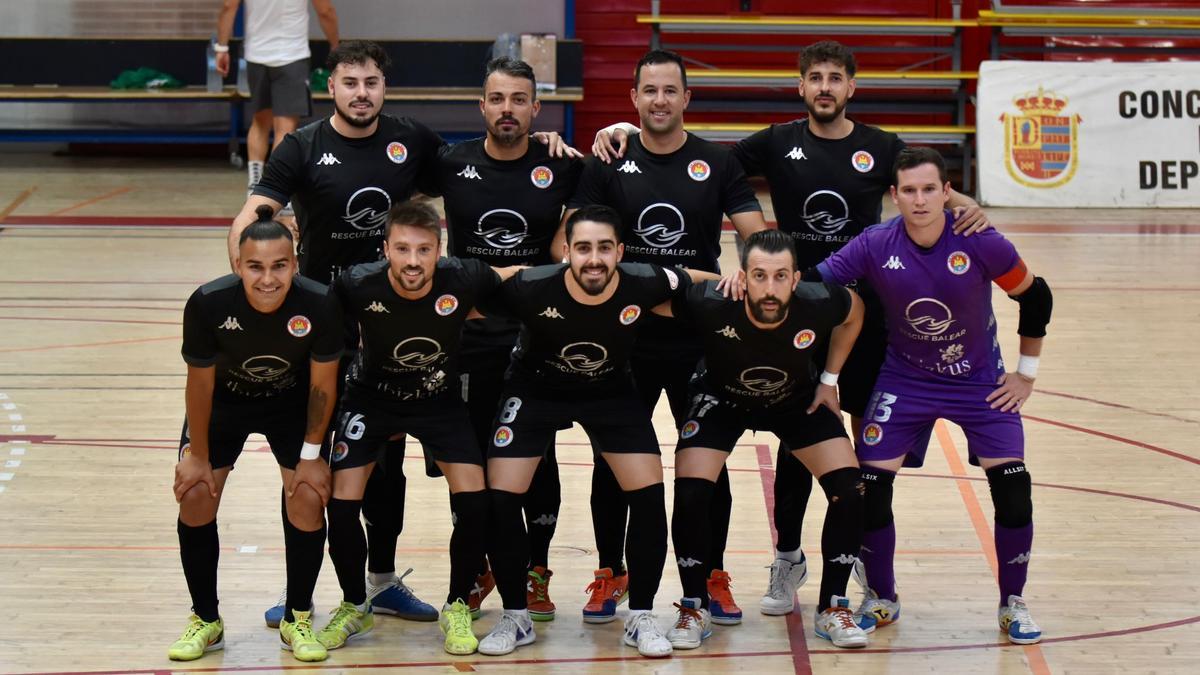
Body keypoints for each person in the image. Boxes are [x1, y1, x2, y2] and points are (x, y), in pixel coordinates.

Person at [592, 40, 991, 617]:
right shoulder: (777, 142)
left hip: (861, 318)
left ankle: (869, 570)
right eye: (815, 78)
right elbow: (697, 159)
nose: (825, 88)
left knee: (864, 459)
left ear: (851, 87)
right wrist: (617, 130)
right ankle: (786, 556)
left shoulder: (880, 147)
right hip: (786, 314)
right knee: (791, 438)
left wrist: (969, 206)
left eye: (835, 78)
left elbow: (929, 188)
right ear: (800, 87)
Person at [229, 39, 444, 626]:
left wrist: (554, 145)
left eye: (371, 82)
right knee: (310, 458)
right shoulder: (302, 146)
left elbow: (481, 170)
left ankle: (381, 581)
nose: (361, 93)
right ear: (332, 89)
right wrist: (247, 277)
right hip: (319, 330)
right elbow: (256, 213)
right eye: (350, 83)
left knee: (385, 461)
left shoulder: (411, 141)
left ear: (384, 88)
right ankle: (298, 587)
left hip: (388, 323)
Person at [814, 146, 1052, 645]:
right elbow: (814, 286)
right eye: (909, 191)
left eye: (929, 190)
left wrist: (1025, 375)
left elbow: (1035, 296)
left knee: (1013, 489)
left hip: (980, 381)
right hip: (906, 379)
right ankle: (882, 596)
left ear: (947, 193)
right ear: (894, 196)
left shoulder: (980, 241)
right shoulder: (876, 243)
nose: (920, 200)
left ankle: (1013, 603)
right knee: (870, 489)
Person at [566, 49, 767, 627]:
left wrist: (746, 271)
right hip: (624, 337)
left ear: (686, 99)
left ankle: (709, 576)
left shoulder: (715, 162)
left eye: (669, 90)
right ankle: (612, 569)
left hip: (697, 340)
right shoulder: (609, 161)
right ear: (634, 98)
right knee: (613, 459)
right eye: (648, 90)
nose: (659, 100)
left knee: (706, 462)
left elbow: (757, 239)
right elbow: (573, 241)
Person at [474, 205, 716, 658]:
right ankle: (516, 616)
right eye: (583, 248)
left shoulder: (643, 280)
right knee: (501, 496)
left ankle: (641, 614)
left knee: (647, 493)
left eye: (605, 248)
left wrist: (738, 280)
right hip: (535, 389)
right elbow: (467, 293)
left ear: (620, 251)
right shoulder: (530, 286)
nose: (594, 259)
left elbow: (695, 279)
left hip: (609, 391)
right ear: (566, 252)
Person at [316, 201, 522, 656]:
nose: (413, 261)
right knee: (343, 505)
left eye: (424, 250)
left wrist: (569, 268)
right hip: (371, 399)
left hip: (438, 401)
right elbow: (320, 346)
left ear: (439, 250)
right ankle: (354, 604)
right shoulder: (354, 283)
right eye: (403, 249)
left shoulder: (464, 276)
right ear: (385, 248)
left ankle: (455, 605)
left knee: (475, 501)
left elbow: (515, 277)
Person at [651, 228, 869, 649]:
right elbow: (648, 292)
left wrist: (829, 378)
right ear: (743, 276)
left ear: (796, 277)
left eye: (781, 276)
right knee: (693, 492)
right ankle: (693, 606)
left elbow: (855, 311)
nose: (770, 288)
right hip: (721, 399)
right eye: (759, 276)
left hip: (794, 400)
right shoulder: (713, 300)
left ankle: (833, 607)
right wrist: (705, 279)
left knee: (850, 489)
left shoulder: (820, 301)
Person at [422, 56, 584, 621]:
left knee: (536, 456)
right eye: (498, 99)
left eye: (519, 100)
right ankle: (479, 568)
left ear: (537, 109)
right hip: (465, 336)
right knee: (466, 460)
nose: (507, 109)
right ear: (482, 106)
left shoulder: (561, 164)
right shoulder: (450, 162)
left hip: (535, 336)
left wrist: (620, 130)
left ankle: (535, 571)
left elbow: (624, 163)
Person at [168, 207, 342, 662]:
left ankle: (297, 616)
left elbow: (324, 386)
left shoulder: (320, 302)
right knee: (196, 492)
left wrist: (309, 456)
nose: (268, 278)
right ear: (238, 265)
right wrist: (199, 456)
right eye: (256, 267)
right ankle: (206, 619)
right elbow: (200, 385)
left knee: (307, 492)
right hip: (225, 403)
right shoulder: (208, 303)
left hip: (292, 403)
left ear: (295, 263)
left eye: (279, 266)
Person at [215, 0, 339, 193]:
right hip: (292, 57)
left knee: (260, 121)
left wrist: (222, 49)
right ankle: (276, 185)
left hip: (256, 56)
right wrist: (334, 45)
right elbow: (325, 11)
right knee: (285, 127)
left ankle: (255, 182)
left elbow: (228, 7)